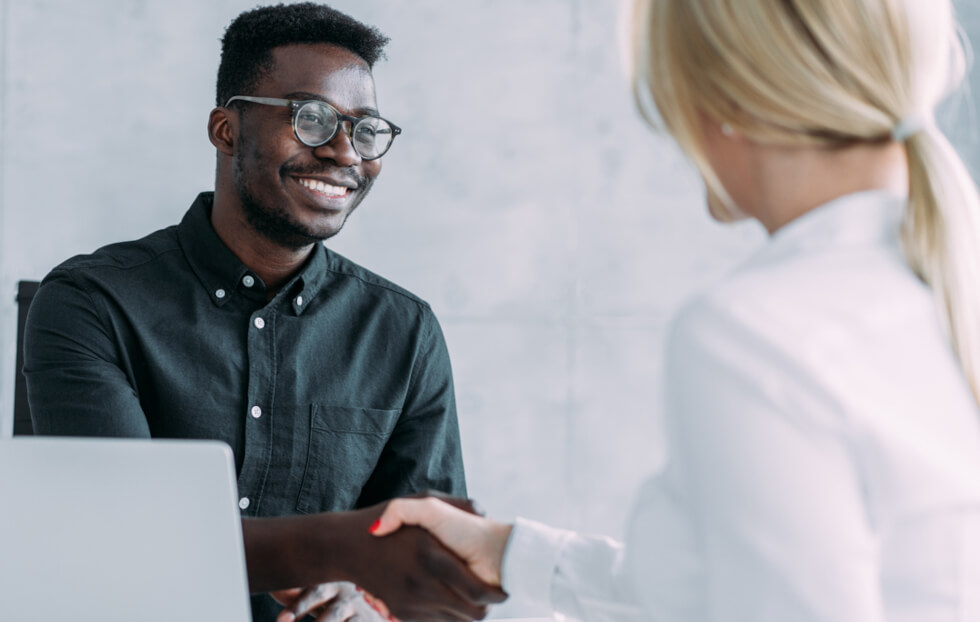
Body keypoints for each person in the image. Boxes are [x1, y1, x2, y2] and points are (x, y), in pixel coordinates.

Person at [367, 0, 980, 620]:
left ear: (731, 101)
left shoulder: (756, 334)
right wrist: (510, 552)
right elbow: (741, 585)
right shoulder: (936, 284)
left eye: (665, 101)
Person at [22, 4, 501, 621]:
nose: (342, 152)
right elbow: (127, 537)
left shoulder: (404, 332)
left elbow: (430, 578)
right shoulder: (93, 302)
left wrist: (369, 599)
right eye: (311, 118)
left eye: (364, 129)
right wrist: (345, 548)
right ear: (226, 130)